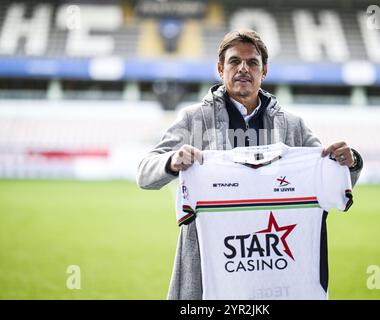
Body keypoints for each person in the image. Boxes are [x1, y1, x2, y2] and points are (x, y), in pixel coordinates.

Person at [136, 29, 363, 299]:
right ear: (220, 69)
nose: (243, 68)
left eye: (252, 62)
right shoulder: (194, 119)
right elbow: (144, 173)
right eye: (234, 61)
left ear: (263, 71)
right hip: (211, 263)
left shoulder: (293, 125)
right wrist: (171, 162)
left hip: (274, 257)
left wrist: (350, 163)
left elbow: (329, 176)